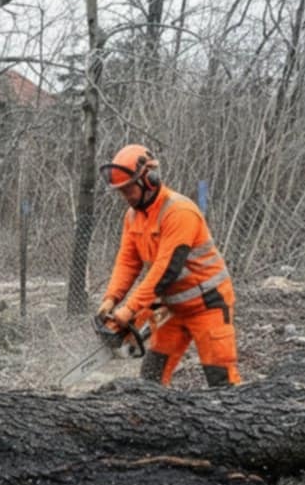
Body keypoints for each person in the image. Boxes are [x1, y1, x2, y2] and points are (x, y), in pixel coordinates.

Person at [97, 143, 239, 387]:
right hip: (172, 307)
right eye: (121, 191)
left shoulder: (179, 212)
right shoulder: (133, 216)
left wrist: (130, 310)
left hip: (208, 304)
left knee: (221, 379)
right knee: (152, 377)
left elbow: (165, 270)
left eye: (128, 189)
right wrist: (112, 299)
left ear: (149, 179)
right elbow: (128, 261)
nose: (125, 196)